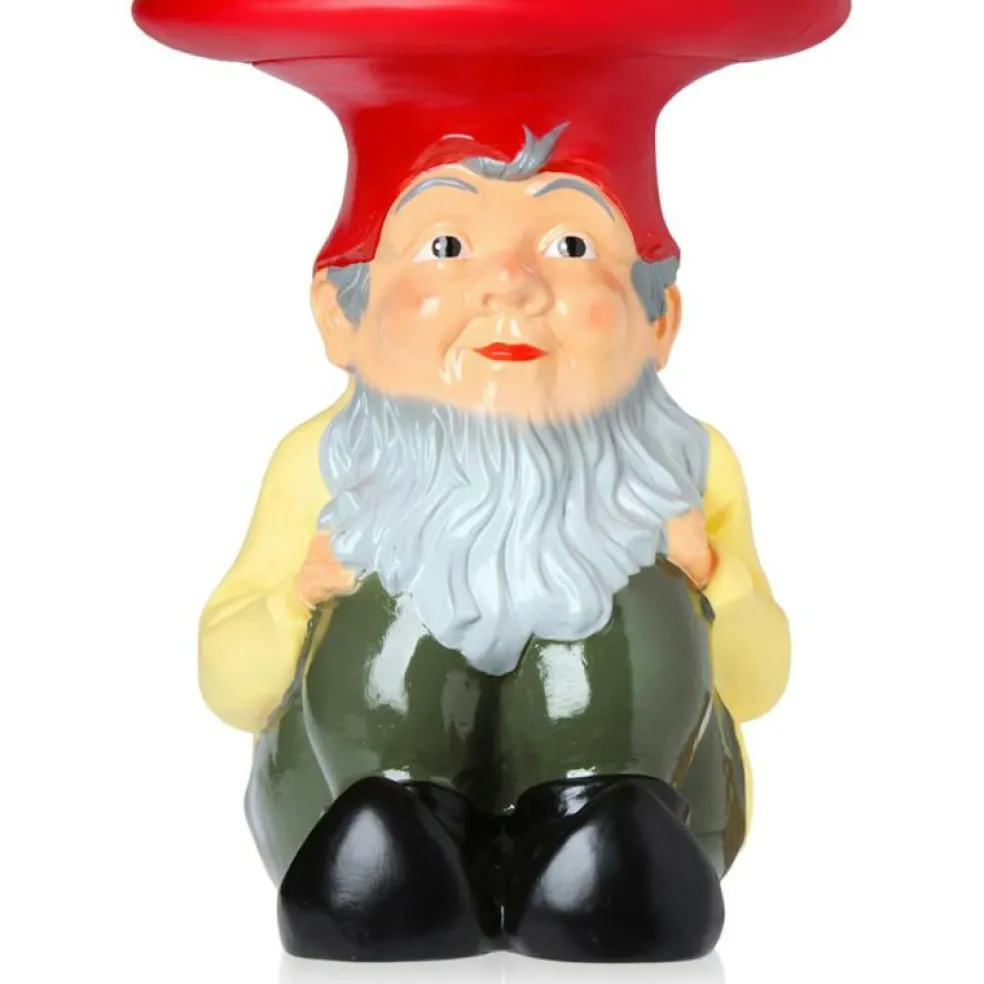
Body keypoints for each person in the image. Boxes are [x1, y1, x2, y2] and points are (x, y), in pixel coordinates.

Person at [200, 124, 790, 961]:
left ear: (658, 320)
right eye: (446, 247)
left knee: (645, 608)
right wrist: (292, 600)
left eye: (570, 246)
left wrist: (714, 579)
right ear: (341, 316)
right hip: (344, 799)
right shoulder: (323, 464)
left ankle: (609, 848)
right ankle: (389, 848)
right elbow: (230, 683)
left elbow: (758, 682)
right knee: (378, 617)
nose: (511, 285)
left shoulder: (685, 468)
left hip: (653, 806)